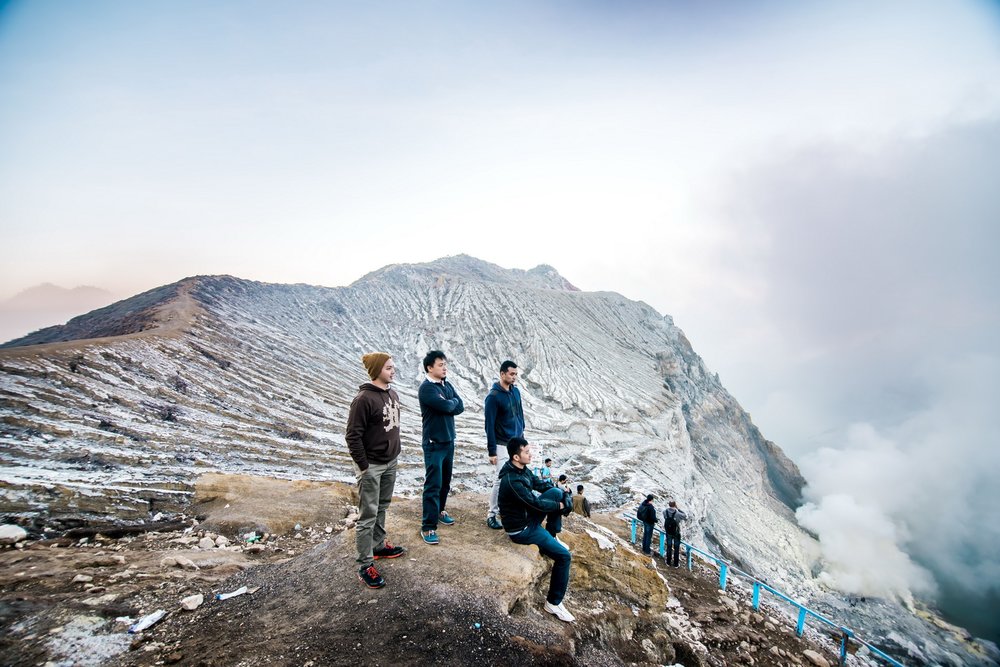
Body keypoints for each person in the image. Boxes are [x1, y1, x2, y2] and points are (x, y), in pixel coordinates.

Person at [498, 436, 575, 623]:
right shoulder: (512, 481)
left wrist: (561, 491)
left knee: (556, 493)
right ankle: (553, 603)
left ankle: (552, 534)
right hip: (522, 529)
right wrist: (560, 506)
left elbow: (539, 484)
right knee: (564, 556)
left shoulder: (522, 470)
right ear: (516, 457)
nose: (530, 454)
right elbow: (536, 504)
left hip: (527, 518)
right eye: (526, 452)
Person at [346, 352, 405, 589]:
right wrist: (364, 466)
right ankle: (364, 564)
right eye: (389, 367)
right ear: (377, 370)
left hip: (390, 462)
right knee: (367, 515)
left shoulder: (392, 393)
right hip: (372, 465)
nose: (393, 371)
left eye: (392, 367)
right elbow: (353, 435)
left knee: (382, 506)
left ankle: (379, 545)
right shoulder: (363, 399)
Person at [417, 350, 464, 545]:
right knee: (433, 484)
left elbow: (459, 406)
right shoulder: (427, 389)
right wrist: (449, 404)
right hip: (434, 443)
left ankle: (439, 510)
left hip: (449, 440)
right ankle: (428, 527)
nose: (444, 368)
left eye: (445, 364)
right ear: (429, 368)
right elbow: (446, 408)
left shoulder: (447, 385)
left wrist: (449, 402)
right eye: (440, 365)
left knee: (445, 481)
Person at [484, 360, 525, 529]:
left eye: (516, 374)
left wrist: (522, 437)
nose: (514, 377)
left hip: (516, 443)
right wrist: (492, 451)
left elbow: (520, 415)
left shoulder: (515, 392)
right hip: (501, 444)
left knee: (516, 478)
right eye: (511, 374)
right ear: (502, 374)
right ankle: (492, 514)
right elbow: (489, 425)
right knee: (500, 480)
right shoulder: (493, 397)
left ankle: (510, 511)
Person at [663, 500, 688, 567]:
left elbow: (665, 517)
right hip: (676, 532)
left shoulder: (665, 512)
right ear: (675, 505)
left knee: (669, 546)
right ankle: (676, 564)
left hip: (668, 531)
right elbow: (685, 516)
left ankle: (668, 562)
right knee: (676, 548)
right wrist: (678, 509)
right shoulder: (677, 514)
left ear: (669, 505)